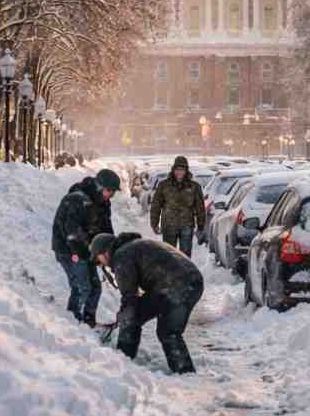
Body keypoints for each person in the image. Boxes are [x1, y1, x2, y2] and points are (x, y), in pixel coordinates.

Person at [92, 232, 202, 373]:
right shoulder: (135, 246)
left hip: (175, 286)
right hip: (191, 282)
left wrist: (124, 316)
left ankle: (123, 359)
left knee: (141, 319)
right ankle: (184, 371)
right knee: (161, 327)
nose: (101, 263)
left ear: (105, 251)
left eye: (98, 258)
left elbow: (129, 297)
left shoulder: (121, 256)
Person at [50, 168, 121, 325]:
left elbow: (106, 230)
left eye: (113, 192)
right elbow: (72, 232)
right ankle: (73, 325)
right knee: (82, 288)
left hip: (86, 249)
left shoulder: (103, 203)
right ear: (99, 186)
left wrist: (110, 251)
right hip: (68, 250)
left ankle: (88, 324)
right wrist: (91, 253)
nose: (111, 195)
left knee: (95, 288)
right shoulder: (78, 199)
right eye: (109, 190)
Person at [148, 155, 205, 256]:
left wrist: (201, 226)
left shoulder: (194, 187)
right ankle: (169, 272)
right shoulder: (164, 185)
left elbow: (200, 207)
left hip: (186, 225)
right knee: (169, 255)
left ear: (186, 170)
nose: (179, 172)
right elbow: (156, 205)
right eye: (177, 169)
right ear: (173, 170)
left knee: (185, 255)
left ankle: (185, 272)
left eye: (182, 169)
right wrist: (154, 223)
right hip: (169, 225)